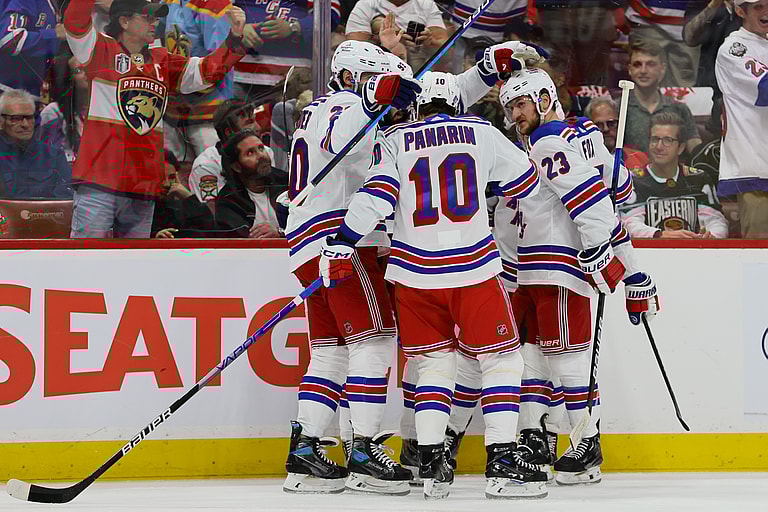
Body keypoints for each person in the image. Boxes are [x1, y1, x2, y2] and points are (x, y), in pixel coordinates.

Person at [283, 39, 539, 495]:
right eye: (369, 80)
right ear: (348, 78)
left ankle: (306, 452)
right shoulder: (343, 105)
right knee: (375, 342)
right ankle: (362, 449)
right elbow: (343, 136)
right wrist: (371, 98)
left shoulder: (374, 128)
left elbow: (436, 97)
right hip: (343, 241)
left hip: (311, 243)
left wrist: (484, 69)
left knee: (331, 351)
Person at [497, 67, 659, 485]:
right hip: (530, 270)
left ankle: (587, 445)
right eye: (511, 107)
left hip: (557, 268)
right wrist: (603, 160)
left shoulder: (551, 141)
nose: (516, 114)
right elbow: (618, 190)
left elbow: (595, 199)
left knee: (568, 361)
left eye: (521, 104)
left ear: (546, 98)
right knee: (532, 357)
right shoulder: (537, 144)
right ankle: (538, 439)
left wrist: (600, 248)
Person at [63, 0, 249, 238]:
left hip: (142, 186)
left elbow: (205, 72)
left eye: (156, 18)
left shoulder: (162, 60)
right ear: (124, 21)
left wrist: (233, 37)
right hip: (99, 181)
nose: (155, 23)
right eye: (147, 17)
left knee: (137, 268)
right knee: (87, 262)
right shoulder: (99, 49)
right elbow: (75, 22)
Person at [621, 111, 728, 239]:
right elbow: (628, 223)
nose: (659, 146)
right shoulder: (634, 180)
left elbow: (717, 221)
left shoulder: (698, 179)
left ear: (681, 147)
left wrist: (712, 236)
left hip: (694, 253)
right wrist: (660, 236)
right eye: (655, 139)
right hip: (648, 254)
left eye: (668, 140)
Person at [715, 0, 768, 238]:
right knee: (760, 261)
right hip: (755, 169)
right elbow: (765, 89)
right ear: (740, 11)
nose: (766, 12)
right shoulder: (734, 48)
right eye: (758, 7)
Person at [161, 0, 237, 162]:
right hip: (174, 110)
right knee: (176, 173)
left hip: (208, 113)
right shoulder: (169, 2)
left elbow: (221, 60)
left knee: (212, 170)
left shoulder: (215, 5)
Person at [189, 98, 275, 205]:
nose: (258, 127)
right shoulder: (206, 166)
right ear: (229, 132)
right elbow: (213, 212)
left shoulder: (266, 152)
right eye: (249, 123)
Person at [624, 40, 703, 154]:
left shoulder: (679, 109)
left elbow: (697, 154)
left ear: (662, 68)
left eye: (650, 64)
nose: (643, 70)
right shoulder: (619, 109)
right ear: (630, 69)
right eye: (637, 65)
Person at [214, 128, 286, 238]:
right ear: (236, 167)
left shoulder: (286, 182)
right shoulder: (229, 201)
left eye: (261, 148)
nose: (261, 155)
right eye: (250, 153)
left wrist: (280, 233)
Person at [0, 88, 72, 198]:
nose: (25, 124)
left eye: (29, 118)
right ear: (1, 121)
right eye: (16, 118)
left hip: (44, 214)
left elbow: (64, 200)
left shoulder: (54, 156)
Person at [534, 0, 621, 86]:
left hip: (595, 9)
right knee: (552, 72)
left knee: (595, 81)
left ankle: (596, 98)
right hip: (552, 9)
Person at [345, 0, 449, 70]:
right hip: (376, 68)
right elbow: (353, 49)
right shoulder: (366, 4)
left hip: (419, 68)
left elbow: (449, 50)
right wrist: (381, 37)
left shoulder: (426, 3)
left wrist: (430, 41)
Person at [626, 0, 707, 87]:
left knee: (684, 90)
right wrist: (615, 7)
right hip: (646, 19)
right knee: (645, 81)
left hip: (691, 22)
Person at [0, 0, 65, 97]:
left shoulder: (54, 5)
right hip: (9, 96)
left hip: (32, 95)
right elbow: (10, 40)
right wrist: (54, 34)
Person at [151, 150, 215, 238]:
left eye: (172, 177)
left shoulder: (178, 207)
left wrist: (188, 197)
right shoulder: (138, 208)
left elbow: (209, 230)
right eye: (160, 177)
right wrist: (154, 237)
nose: (166, 184)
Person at [585, 96, 648, 168]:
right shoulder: (580, 163)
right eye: (599, 125)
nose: (606, 129)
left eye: (611, 123)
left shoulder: (641, 159)